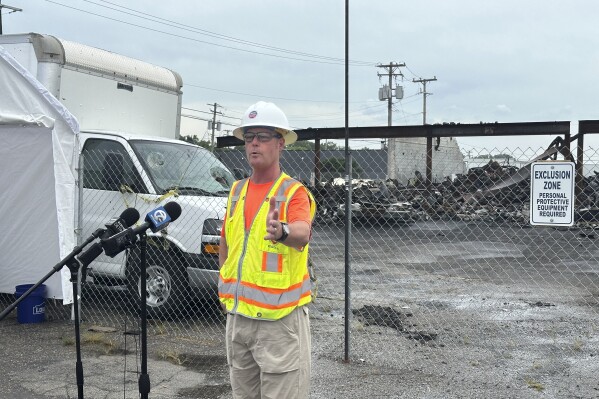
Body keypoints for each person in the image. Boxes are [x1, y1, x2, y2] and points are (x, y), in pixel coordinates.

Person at [218, 101, 316, 399]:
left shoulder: (293, 192)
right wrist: (223, 278)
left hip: (278, 324)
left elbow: (302, 233)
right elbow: (226, 243)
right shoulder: (236, 190)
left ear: (280, 143)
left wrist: (283, 231)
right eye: (249, 137)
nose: (254, 143)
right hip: (238, 318)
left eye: (262, 136)